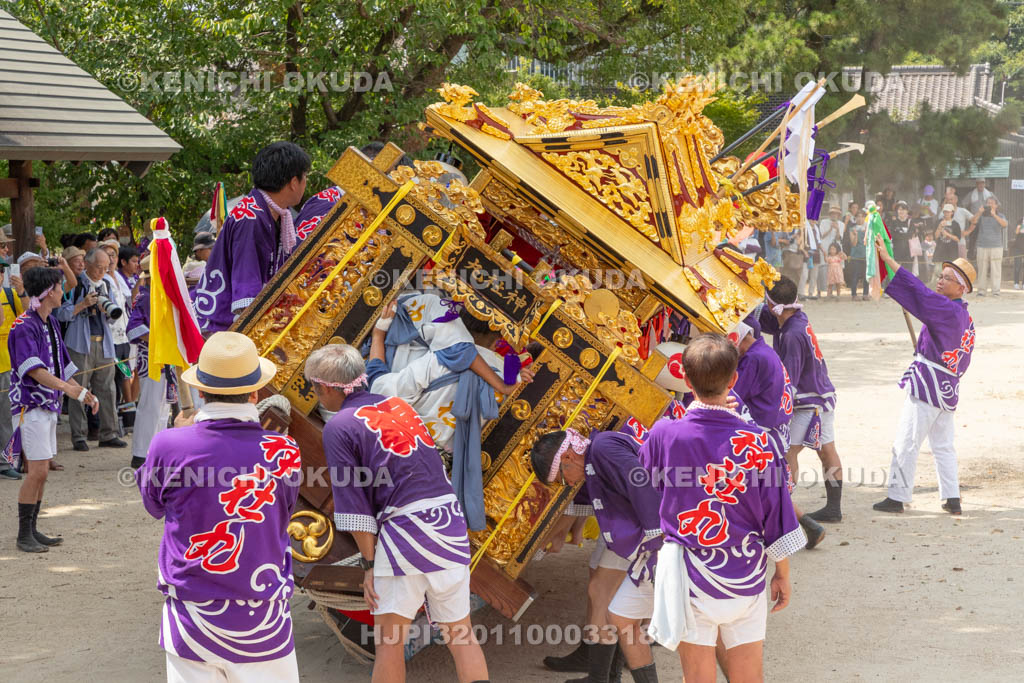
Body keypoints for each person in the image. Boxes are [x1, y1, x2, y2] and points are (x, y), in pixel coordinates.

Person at [308, 343, 489, 683]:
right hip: (449, 525)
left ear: (328, 388)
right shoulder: (399, 406)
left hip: (406, 534)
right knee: (461, 635)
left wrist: (369, 565)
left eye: (315, 389)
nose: (317, 398)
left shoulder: (340, 426)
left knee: (390, 643)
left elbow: (354, 505)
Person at [639, 334, 804, 683]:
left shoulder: (664, 434)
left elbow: (650, 484)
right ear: (733, 380)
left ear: (684, 378)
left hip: (691, 578)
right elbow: (777, 514)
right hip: (746, 577)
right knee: (749, 677)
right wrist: (783, 573)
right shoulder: (760, 442)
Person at [137, 331, 301, 681]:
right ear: (255, 393)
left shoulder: (169, 444)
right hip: (265, 616)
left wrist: (174, 434)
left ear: (200, 390)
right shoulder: (284, 450)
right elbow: (283, 512)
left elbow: (152, 505)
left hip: (192, 615)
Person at [529, 428, 663, 683]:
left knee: (621, 612)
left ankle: (602, 678)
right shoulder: (594, 456)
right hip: (634, 532)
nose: (566, 483)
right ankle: (602, 677)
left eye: (561, 477)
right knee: (600, 591)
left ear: (567, 457)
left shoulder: (603, 449)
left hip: (652, 532)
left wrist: (659, 540)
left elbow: (642, 485)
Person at [871, 239, 976, 515]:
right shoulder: (964, 315)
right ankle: (952, 497)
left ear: (961, 288)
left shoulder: (947, 309)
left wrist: (890, 261)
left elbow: (918, 292)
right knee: (943, 445)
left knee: (907, 439)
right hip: (948, 387)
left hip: (929, 384)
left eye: (947, 279)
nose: (940, 282)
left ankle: (897, 495)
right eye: (940, 276)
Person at [11, 267, 99, 552]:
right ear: (48, 292)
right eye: (60, 288)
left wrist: (82, 392)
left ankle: (32, 529)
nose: (64, 292)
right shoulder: (24, 325)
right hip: (31, 405)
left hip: (48, 405)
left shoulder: (48, 323)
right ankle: (23, 534)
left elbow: (64, 368)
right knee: (36, 471)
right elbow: (34, 370)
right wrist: (70, 389)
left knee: (42, 471)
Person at [195, 141, 310, 333]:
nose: (306, 183)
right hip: (223, 328)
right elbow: (246, 295)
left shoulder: (270, 213)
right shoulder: (251, 218)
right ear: (293, 182)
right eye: (305, 176)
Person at [760, 276, 844, 523]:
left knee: (788, 453)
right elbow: (768, 321)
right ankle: (834, 507)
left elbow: (790, 380)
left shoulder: (791, 334)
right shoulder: (797, 319)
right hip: (823, 393)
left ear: (770, 302)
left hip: (809, 402)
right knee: (827, 450)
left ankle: (784, 510)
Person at [57, 248, 126, 451]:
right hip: (80, 343)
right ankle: (78, 436)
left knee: (108, 389)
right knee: (79, 389)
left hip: (104, 342)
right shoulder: (75, 285)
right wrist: (83, 304)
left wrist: (106, 310)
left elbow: (113, 312)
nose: (102, 271)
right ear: (86, 264)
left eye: (106, 268)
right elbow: (61, 313)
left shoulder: (106, 284)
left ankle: (109, 433)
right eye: (99, 267)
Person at [125, 267, 172, 470]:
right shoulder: (146, 297)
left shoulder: (170, 297)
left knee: (163, 408)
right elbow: (133, 328)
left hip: (169, 359)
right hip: (151, 358)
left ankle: (157, 450)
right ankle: (140, 453)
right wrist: (158, 339)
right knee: (149, 405)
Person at [968, 196, 1007, 297]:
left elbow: (1004, 224)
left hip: (996, 246)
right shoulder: (981, 216)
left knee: (996, 269)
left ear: (996, 205)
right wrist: (979, 212)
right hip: (982, 245)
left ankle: (996, 291)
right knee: (982, 269)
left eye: (992, 203)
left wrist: (994, 215)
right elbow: (973, 221)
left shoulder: (1000, 215)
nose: (989, 205)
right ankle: (981, 290)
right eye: (988, 203)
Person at [933, 205, 962, 278]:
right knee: (938, 273)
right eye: (945, 212)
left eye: (948, 212)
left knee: (951, 275)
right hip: (940, 252)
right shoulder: (938, 222)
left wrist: (947, 234)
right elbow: (935, 236)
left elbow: (958, 239)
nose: (946, 213)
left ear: (952, 212)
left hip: (952, 253)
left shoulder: (955, 224)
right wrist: (940, 227)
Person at [846, 211, 869, 301]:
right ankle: (854, 294)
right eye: (858, 216)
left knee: (866, 276)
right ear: (855, 218)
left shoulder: (868, 228)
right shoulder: (852, 229)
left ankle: (865, 294)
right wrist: (856, 235)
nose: (860, 218)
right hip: (855, 256)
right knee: (855, 275)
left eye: (862, 216)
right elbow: (854, 244)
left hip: (866, 255)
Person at [889, 201, 914, 269]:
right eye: (899, 209)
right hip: (896, 252)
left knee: (907, 273)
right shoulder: (894, 222)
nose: (901, 211)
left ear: (907, 211)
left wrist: (899, 234)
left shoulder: (910, 222)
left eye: (903, 209)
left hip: (908, 253)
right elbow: (892, 235)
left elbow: (910, 234)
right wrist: (904, 235)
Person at [1013, 220, 1024, 289]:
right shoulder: (1019, 221)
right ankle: (1016, 283)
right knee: (1017, 265)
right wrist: (1019, 227)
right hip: (1018, 247)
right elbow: (1016, 232)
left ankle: (1023, 284)